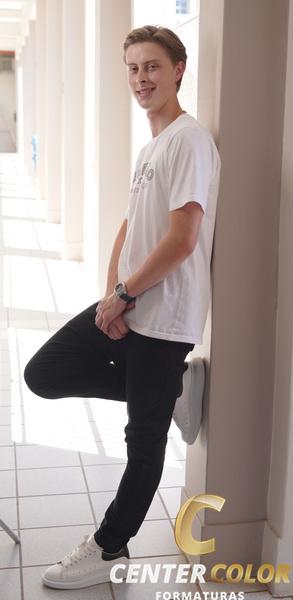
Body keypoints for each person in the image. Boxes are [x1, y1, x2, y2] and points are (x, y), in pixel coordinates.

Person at [23, 24, 221, 590]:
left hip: (166, 314)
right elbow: (130, 227)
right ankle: (172, 390)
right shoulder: (151, 147)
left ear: (178, 70)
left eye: (152, 66)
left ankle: (111, 546)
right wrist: (112, 295)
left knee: (143, 439)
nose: (141, 78)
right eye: (133, 68)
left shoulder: (189, 140)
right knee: (44, 372)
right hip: (132, 303)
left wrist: (126, 295)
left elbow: (182, 240)